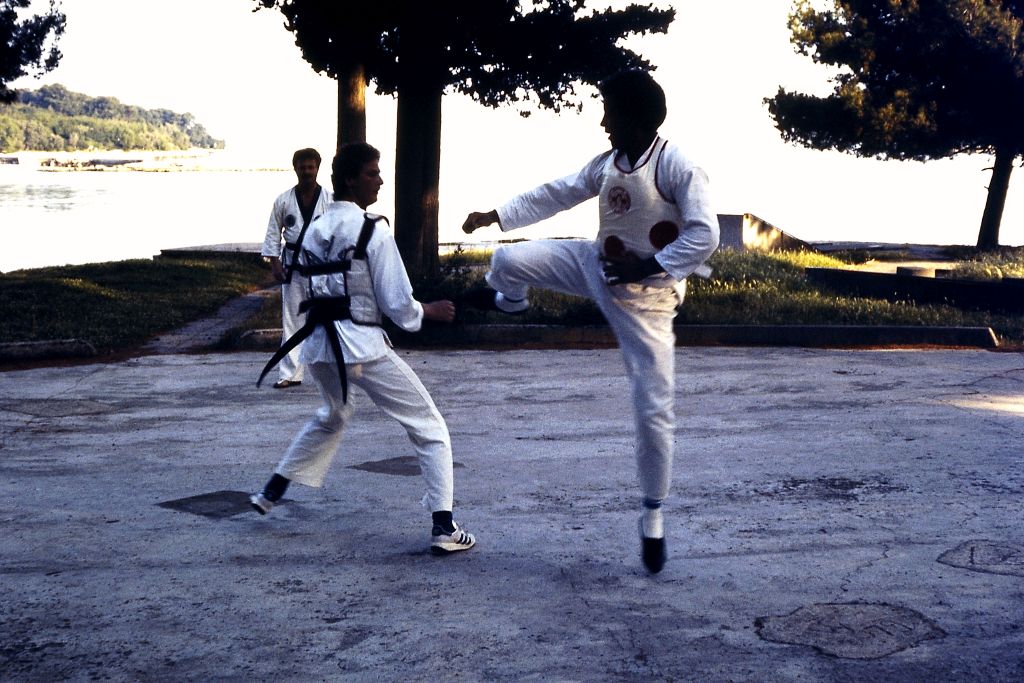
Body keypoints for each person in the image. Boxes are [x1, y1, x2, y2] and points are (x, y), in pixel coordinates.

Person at [461, 69, 718, 573]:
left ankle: (652, 514)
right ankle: (509, 303)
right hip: (594, 265)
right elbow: (557, 192)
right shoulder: (607, 163)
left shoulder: (677, 165)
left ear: (637, 117)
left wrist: (645, 266)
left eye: (610, 112)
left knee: (653, 408)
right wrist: (497, 214)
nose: (602, 121)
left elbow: (705, 234)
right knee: (509, 263)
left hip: (647, 299)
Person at [251, 141, 476, 556]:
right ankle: (444, 526)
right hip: (362, 347)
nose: (380, 179)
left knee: (332, 416)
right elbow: (397, 303)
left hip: (319, 349)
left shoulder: (314, 230)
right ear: (352, 179)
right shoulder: (373, 230)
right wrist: (427, 311)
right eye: (373, 173)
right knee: (430, 428)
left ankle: (272, 489)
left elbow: (305, 289)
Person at [261, 148, 331, 389]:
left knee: (329, 321)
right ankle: (289, 373)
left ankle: (335, 372)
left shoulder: (330, 200)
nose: (307, 172)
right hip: (294, 267)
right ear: (295, 169)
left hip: (322, 269)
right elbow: (273, 233)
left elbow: (340, 233)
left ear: (317, 169)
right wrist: (274, 261)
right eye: (303, 167)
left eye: (311, 167)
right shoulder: (283, 200)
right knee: (292, 320)